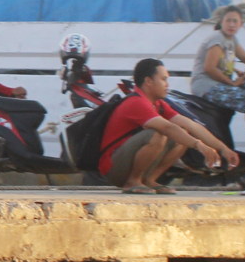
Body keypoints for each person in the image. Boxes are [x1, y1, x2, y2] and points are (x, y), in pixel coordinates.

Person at [98, 58, 237, 194]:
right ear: (148, 81)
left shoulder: (159, 104)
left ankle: (149, 180)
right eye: (163, 79)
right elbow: (167, 128)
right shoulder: (136, 102)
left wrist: (223, 149)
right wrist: (199, 145)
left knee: (183, 134)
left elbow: (191, 124)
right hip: (113, 167)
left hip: (125, 163)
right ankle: (133, 181)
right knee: (158, 134)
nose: (167, 85)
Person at [186, 5, 245, 136]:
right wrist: (231, 83)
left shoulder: (232, 39)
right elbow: (209, 68)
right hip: (208, 87)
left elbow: (244, 57)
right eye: (228, 21)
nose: (231, 24)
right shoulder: (217, 38)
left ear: (241, 24)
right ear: (221, 22)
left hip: (221, 85)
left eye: (235, 21)